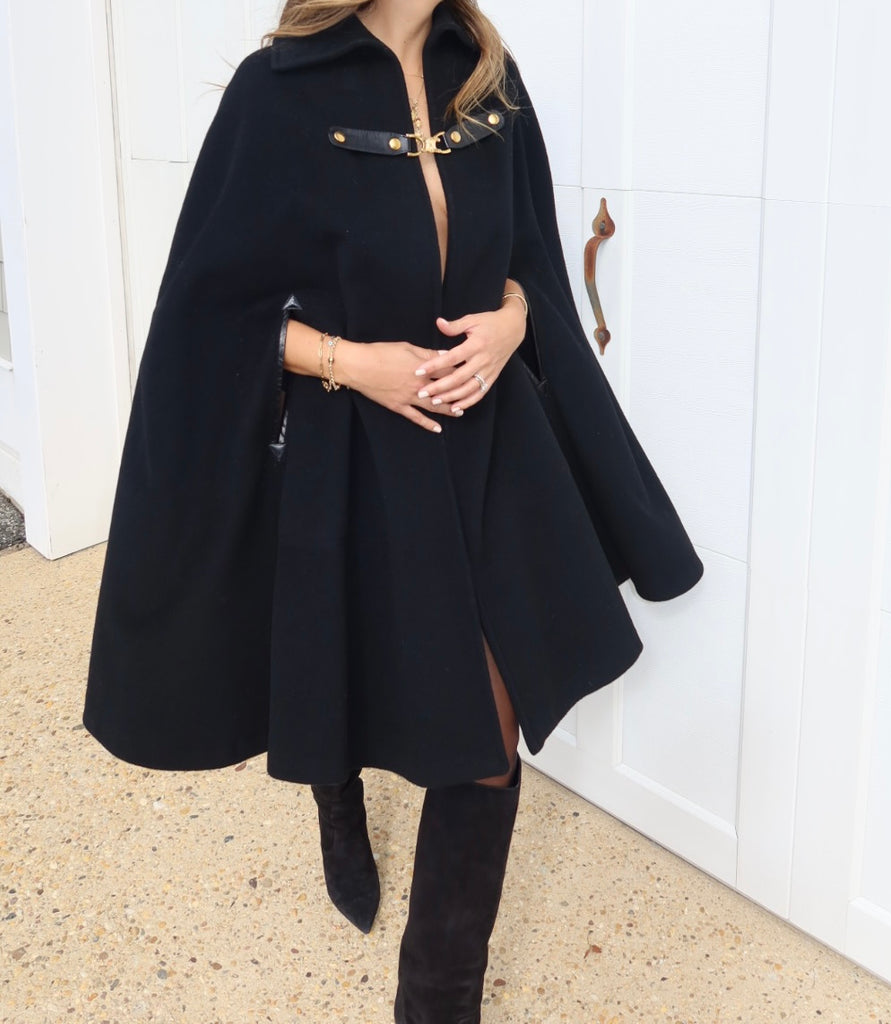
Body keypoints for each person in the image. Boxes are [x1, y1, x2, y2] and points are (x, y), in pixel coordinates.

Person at [83, 1, 704, 1019]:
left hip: (488, 439)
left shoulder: (490, 78)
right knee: (348, 667)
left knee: (493, 727)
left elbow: (532, 260)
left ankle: (435, 1000)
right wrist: (350, 361)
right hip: (353, 449)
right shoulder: (274, 90)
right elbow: (205, 316)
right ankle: (336, 794)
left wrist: (511, 323)